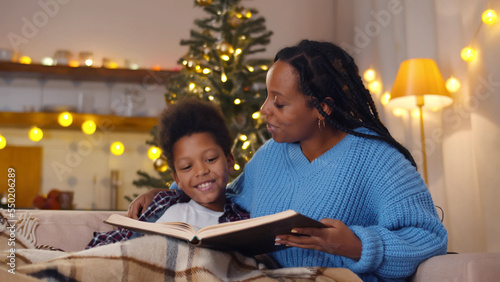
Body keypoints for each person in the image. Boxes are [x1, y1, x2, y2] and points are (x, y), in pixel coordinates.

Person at [127, 40, 448, 281]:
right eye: (267, 96)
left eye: (279, 103)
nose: (264, 109)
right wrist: (169, 193)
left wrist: (354, 245)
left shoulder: (377, 159)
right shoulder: (272, 153)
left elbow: (430, 240)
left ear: (322, 108)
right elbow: (225, 195)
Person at [87, 98, 249, 248]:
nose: (201, 171)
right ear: (177, 178)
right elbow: (119, 241)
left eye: (210, 159)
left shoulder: (240, 220)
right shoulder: (164, 204)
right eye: (187, 167)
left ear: (229, 161)